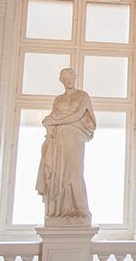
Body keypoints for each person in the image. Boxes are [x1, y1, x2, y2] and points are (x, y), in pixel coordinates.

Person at [35, 68, 96, 221]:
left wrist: (55, 121)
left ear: (75, 78)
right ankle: (57, 210)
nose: (69, 81)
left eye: (71, 78)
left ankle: (81, 210)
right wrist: (48, 120)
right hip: (58, 138)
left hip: (75, 137)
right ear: (61, 81)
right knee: (58, 173)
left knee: (75, 172)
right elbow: (53, 115)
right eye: (65, 79)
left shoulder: (82, 96)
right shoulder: (58, 100)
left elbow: (78, 114)